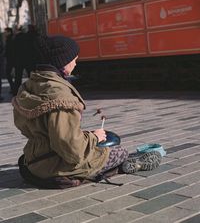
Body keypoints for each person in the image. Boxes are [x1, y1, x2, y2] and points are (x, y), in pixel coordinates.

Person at [12, 35, 161, 189]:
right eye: (74, 59)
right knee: (119, 150)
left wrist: (82, 135)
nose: (75, 63)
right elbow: (71, 149)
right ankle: (122, 165)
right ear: (62, 62)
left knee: (98, 145)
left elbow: (53, 131)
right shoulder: (60, 95)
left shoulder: (30, 85)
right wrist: (94, 137)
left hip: (33, 159)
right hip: (57, 165)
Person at [4, 27, 15, 94]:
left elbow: (10, 50)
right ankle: (13, 88)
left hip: (11, 60)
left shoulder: (10, 39)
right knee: (9, 74)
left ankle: (13, 88)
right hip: (11, 59)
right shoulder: (9, 39)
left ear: (9, 32)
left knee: (8, 74)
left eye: (6, 32)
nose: (5, 33)